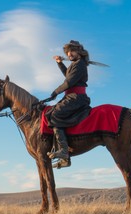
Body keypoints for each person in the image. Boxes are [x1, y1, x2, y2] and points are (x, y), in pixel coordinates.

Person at [46, 40, 92, 169]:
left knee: (55, 114)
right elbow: (68, 75)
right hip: (71, 96)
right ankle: (64, 157)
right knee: (50, 113)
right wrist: (60, 63)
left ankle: (64, 150)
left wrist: (55, 92)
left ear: (79, 51)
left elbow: (69, 82)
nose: (69, 54)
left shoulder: (80, 64)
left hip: (76, 97)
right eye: (67, 52)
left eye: (71, 51)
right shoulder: (76, 64)